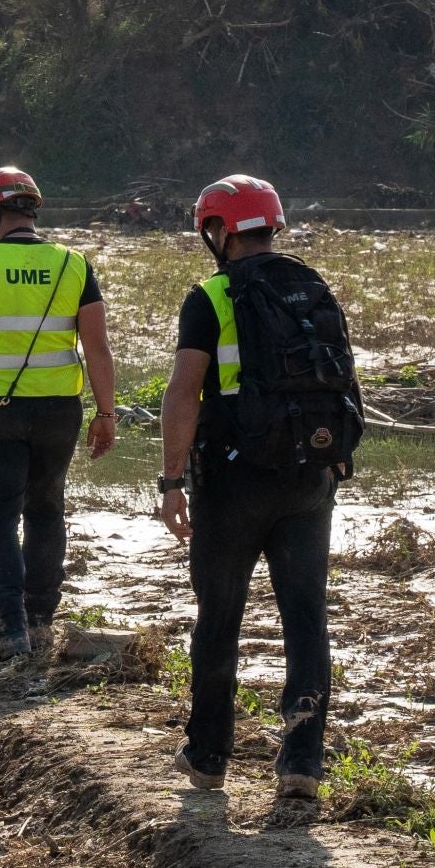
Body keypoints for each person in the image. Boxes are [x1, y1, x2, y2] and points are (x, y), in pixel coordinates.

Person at [156, 174, 364, 798]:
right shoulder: (313, 285)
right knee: (306, 618)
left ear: (217, 232)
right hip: (310, 479)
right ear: (271, 225)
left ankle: (208, 756)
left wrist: (171, 481)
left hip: (233, 481)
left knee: (219, 618)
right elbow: (344, 382)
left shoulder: (212, 297)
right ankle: (303, 763)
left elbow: (183, 393)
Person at [0, 166, 118, 661]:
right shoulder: (74, 264)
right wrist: (106, 413)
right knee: (47, 510)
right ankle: (40, 622)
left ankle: (7, 628)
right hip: (59, 413)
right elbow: (97, 349)